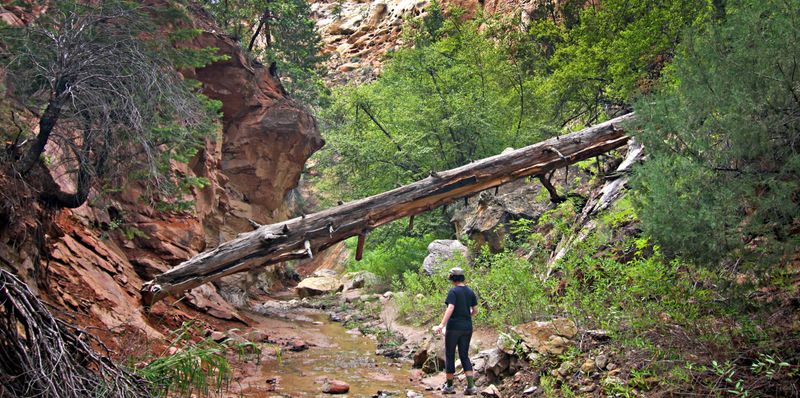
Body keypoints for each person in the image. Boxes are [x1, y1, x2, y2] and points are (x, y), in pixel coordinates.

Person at [432, 267, 478, 395]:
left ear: (453, 278)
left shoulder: (453, 292)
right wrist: (465, 314)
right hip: (467, 327)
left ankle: (450, 386)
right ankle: (471, 387)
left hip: (453, 328)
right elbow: (475, 311)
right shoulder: (470, 292)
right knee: (464, 355)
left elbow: (450, 307)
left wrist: (441, 325)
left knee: (450, 355)